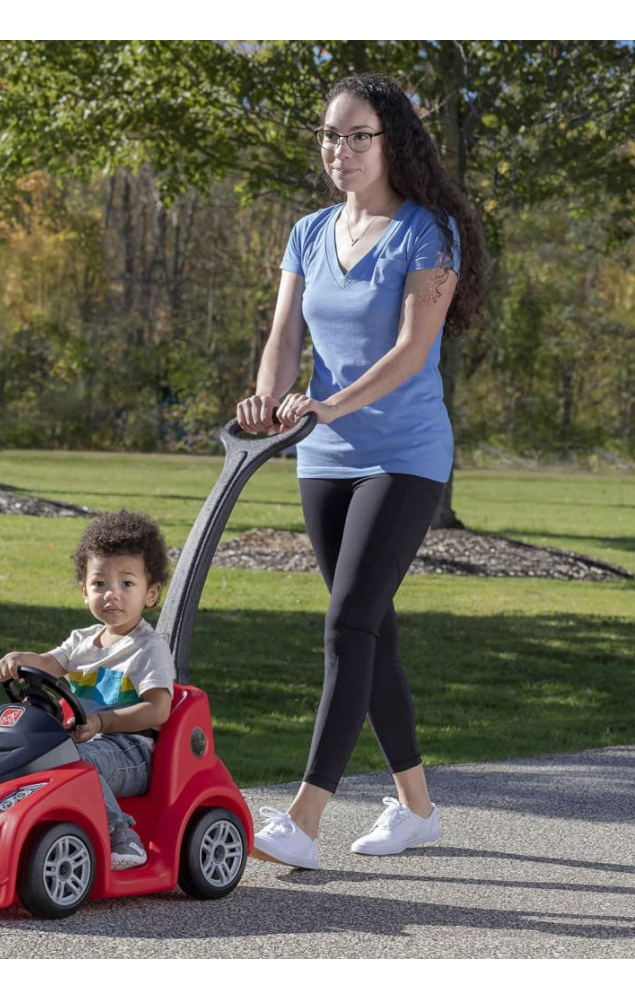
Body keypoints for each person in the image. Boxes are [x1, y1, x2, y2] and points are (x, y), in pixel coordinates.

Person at [236, 73, 486, 868]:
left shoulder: (429, 233)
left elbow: (412, 351)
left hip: (404, 455)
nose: (338, 151)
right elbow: (283, 336)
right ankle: (416, 809)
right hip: (322, 455)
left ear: (392, 143)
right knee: (372, 631)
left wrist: (328, 405)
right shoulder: (308, 231)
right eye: (328, 137)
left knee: (344, 626)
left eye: (356, 137)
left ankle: (303, 820)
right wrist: (267, 399)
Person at [0, 509, 174, 870]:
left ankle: (122, 836)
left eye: (126, 584)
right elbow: (48, 662)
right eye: (99, 584)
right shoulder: (82, 641)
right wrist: (19, 658)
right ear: (83, 591)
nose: (111, 595)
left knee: (75, 762)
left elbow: (158, 710)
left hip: (133, 750)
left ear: (150, 593)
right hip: (83, 741)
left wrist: (103, 722)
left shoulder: (148, 647)